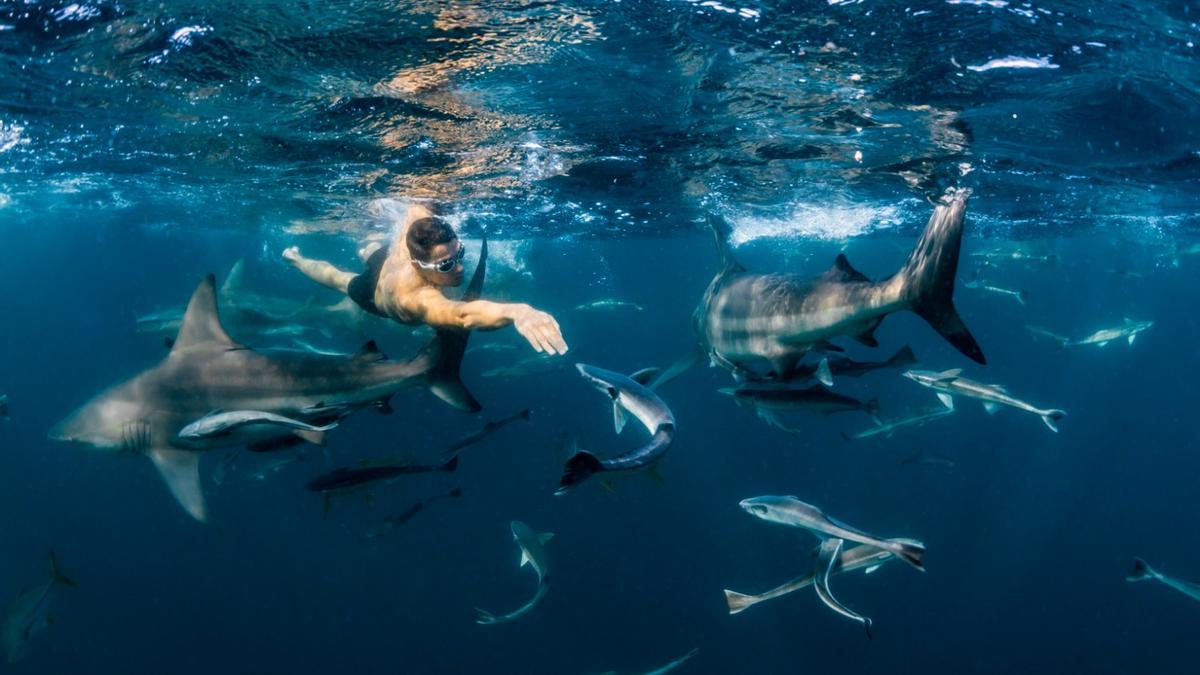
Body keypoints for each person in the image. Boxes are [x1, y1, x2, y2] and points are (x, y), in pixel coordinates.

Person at [282, 204, 568, 355]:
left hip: (388, 259)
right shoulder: (418, 299)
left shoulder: (417, 224)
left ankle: (367, 247)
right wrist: (517, 311)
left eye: (460, 254)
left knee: (372, 251)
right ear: (418, 264)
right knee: (339, 280)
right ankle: (295, 259)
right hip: (376, 294)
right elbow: (464, 315)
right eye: (446, 264)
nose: (458, 268)